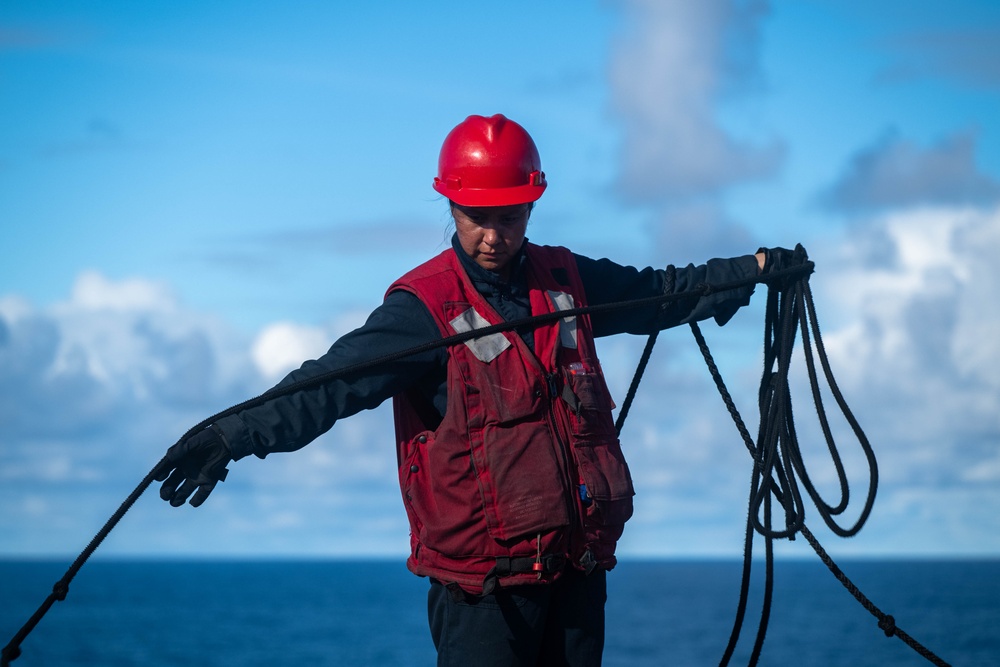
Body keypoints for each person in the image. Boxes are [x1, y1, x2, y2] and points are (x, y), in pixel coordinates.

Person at [155, 114, 791, 666]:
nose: (493, 235)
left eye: (509, 217)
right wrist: (231, 434)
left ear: (532, 206)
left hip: (575, 574)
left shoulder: (566, 279)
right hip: (484, 600)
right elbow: (329, 385)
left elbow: (662, 290)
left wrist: (759, 272)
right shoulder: (423, 308)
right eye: (476, 218)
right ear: (450, 207)